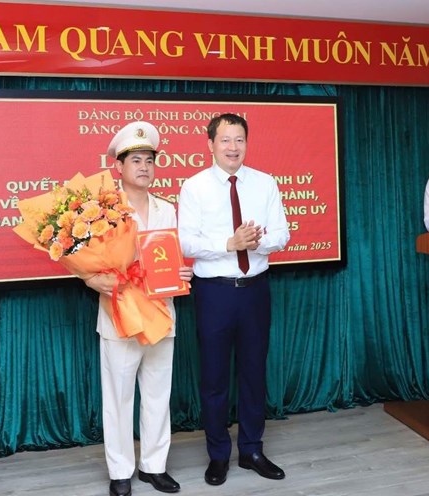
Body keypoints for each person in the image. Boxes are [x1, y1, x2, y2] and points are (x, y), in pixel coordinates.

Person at [177, 113, 290, 486]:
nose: (233, 147)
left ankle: (252, 450)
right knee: (214, 378)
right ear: (210, 144)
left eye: (239, 139)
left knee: (254, 374)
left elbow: (282, 234)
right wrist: (229, 243)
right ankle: (218, 455)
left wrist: (257, 241)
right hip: (214, 293)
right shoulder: (194, 187)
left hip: (255, 290)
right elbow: (187, 242)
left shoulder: (265, 183)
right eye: (225, 140)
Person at [84, 121, 193, 496]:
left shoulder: (167, 209)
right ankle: (119, 471)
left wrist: (181, 272)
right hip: (120, 315)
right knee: (118, 397)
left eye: (149, 160)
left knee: (158, 394)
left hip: (160, 314)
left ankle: (154, 466)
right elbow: (82, 256)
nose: (144, 167)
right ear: (118, 166)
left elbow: (172, 258)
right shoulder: (103, 211)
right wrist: (90, 279)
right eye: (136, 161)